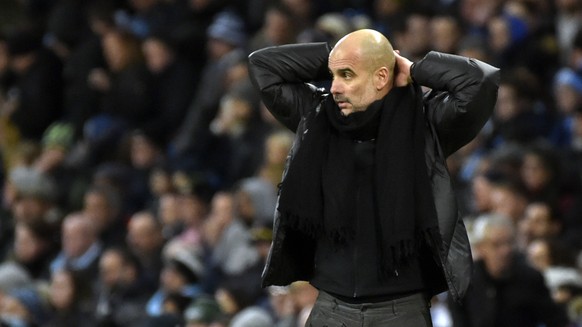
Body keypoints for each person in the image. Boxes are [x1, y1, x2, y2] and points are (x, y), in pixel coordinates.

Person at [248, 28, 500, 326]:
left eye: (347, 75)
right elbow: (263, 66)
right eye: (333, 75)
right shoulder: (317, 115)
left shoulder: (425, 123)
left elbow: (480, 81)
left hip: (400, 311)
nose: (335, 87)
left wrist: (414, 68)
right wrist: (339, 56)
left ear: (381, 77)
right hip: (331, 307)